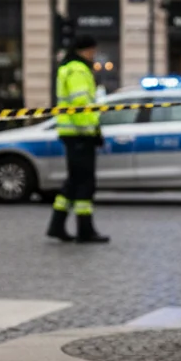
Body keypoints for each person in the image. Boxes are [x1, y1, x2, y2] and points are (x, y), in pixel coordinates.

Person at [46, 35, 109, 244]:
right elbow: (80, 103)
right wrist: (90, 131)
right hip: (80, 133)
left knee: (74, 181)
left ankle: (57, 224)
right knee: (85, 183)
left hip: (72, 133)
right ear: (85, 50)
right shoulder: (78, 70)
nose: (93, 55)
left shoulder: (69, 68)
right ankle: (85, 229)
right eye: (92, 51)